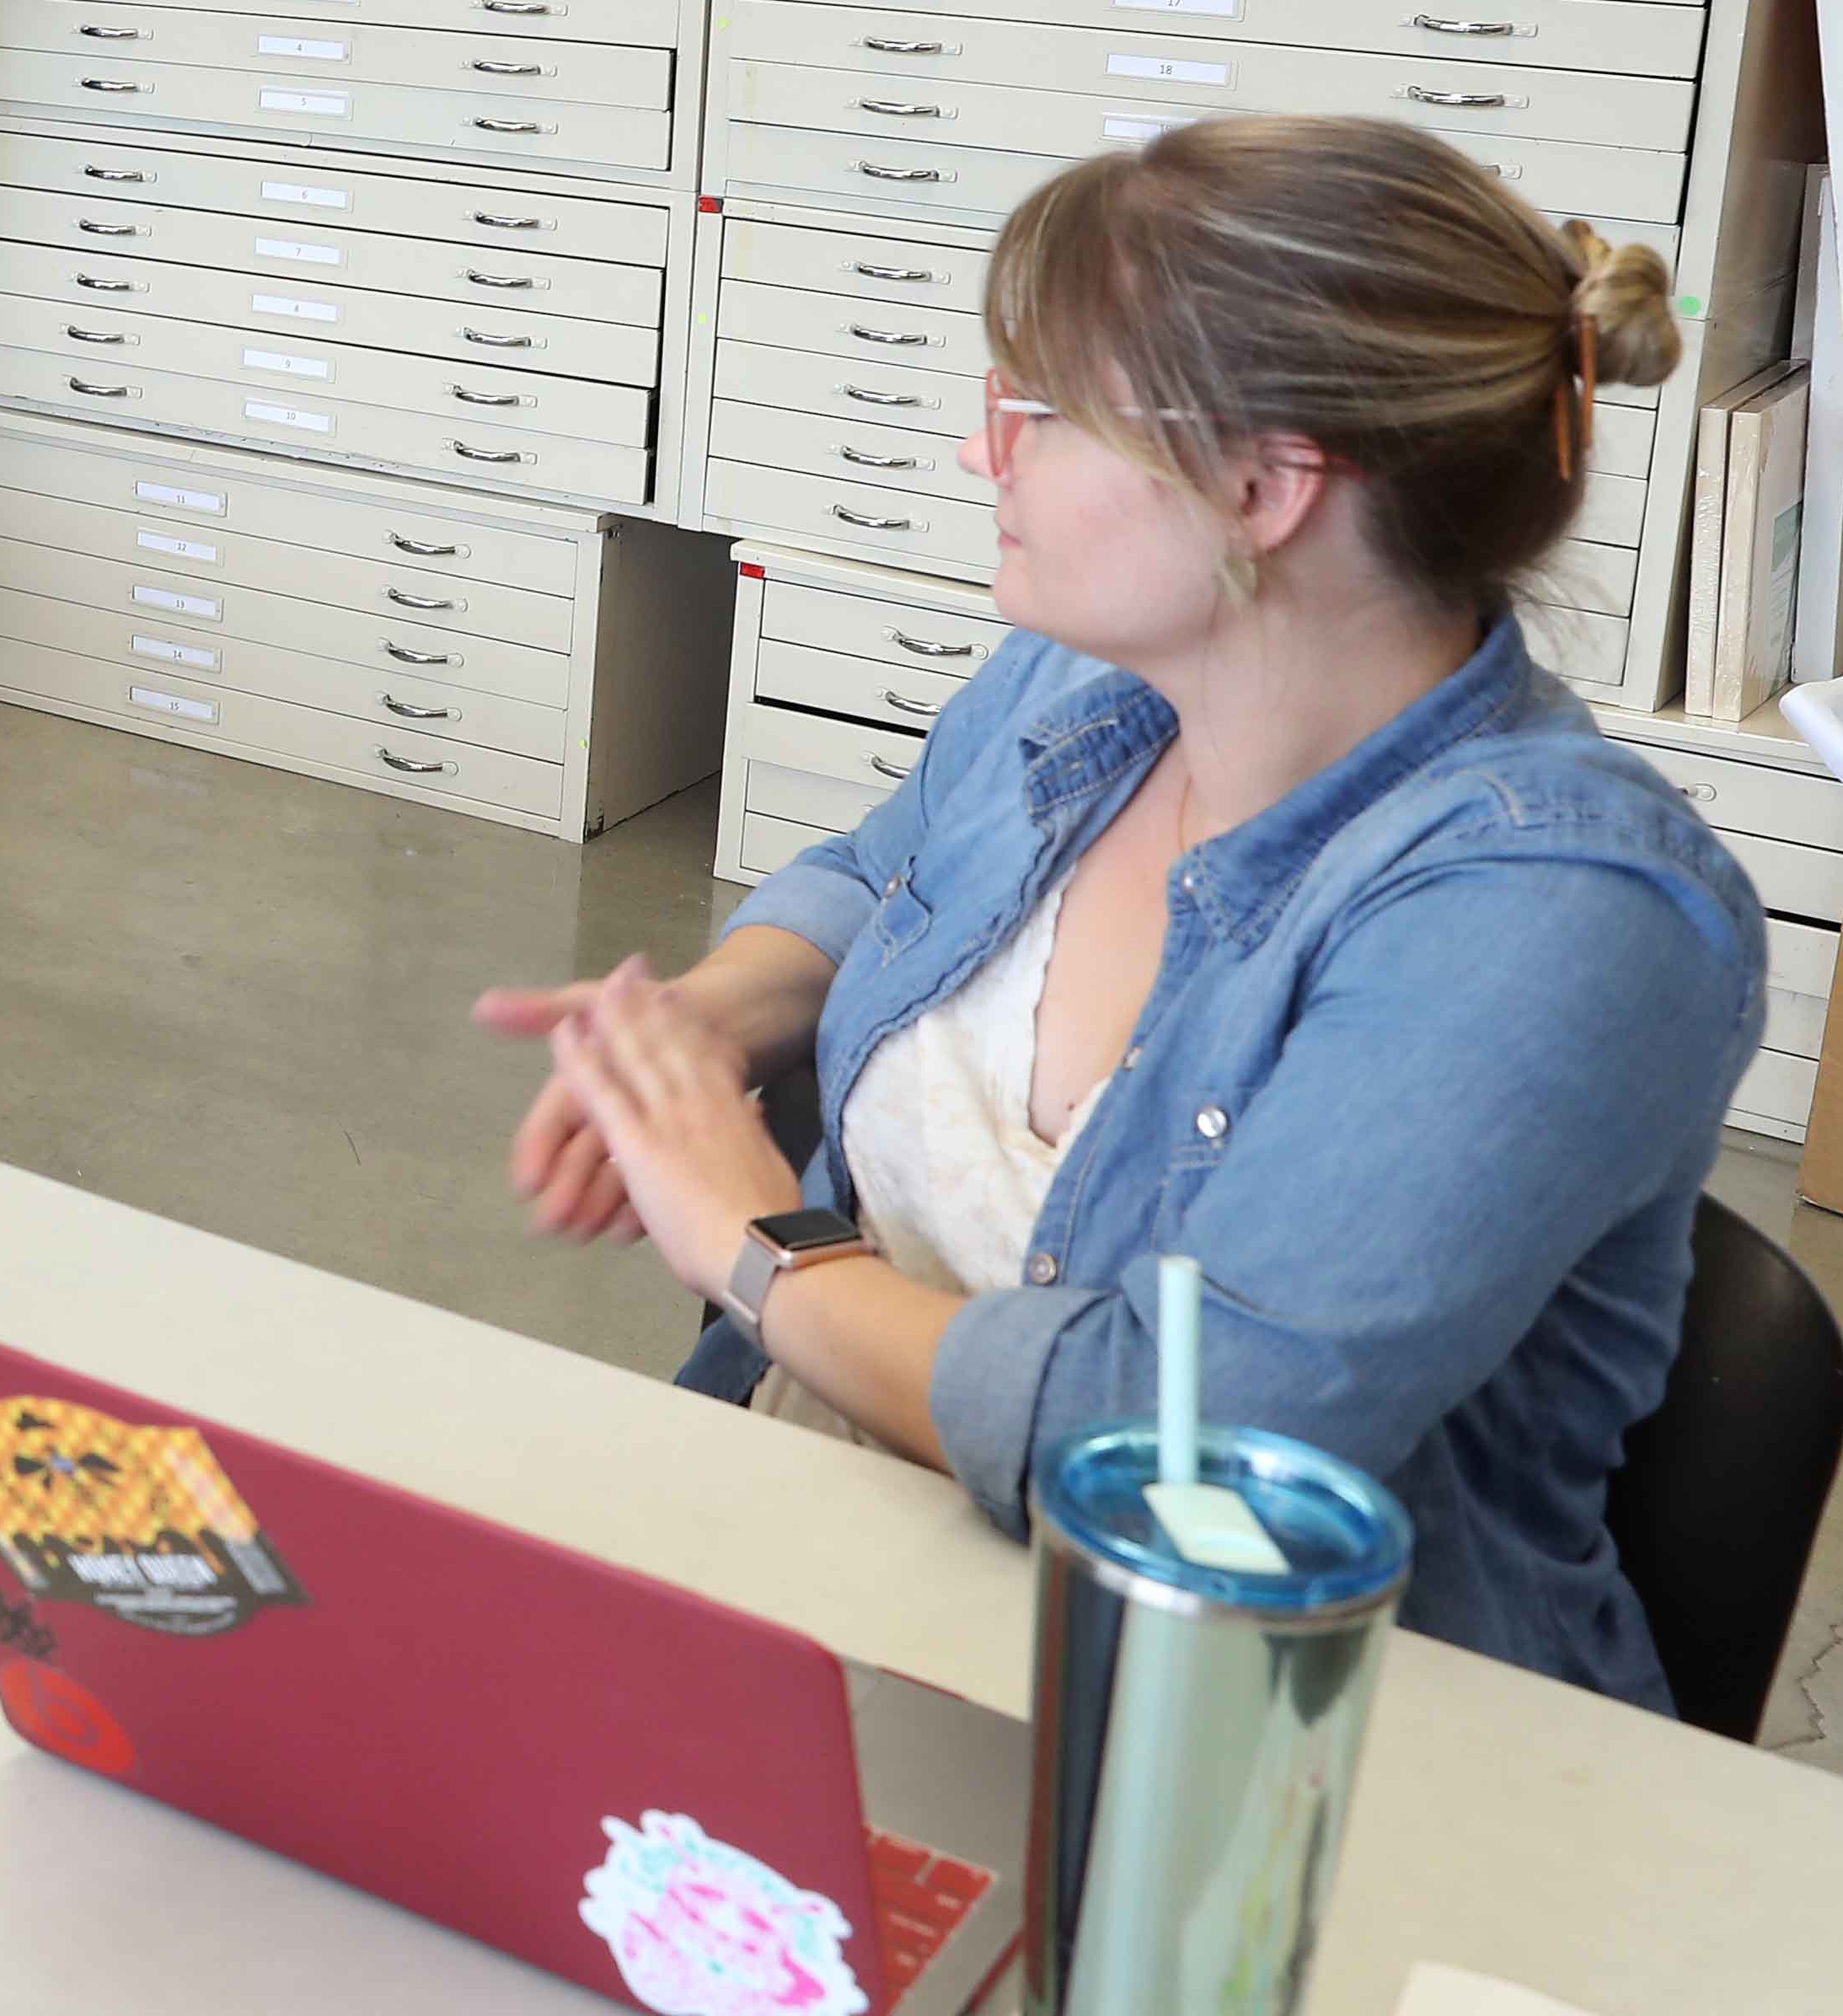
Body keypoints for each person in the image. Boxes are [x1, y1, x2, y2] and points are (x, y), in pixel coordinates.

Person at [471, 115, 1756, 1708]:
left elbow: (1185, 1451)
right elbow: (889, 868)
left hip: (1263, 1739)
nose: (980, 454)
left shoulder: (1557, 909)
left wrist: (753, 1239)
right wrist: (722, 1011)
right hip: (856, 1574)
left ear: (1260, 483)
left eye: (1043, 411)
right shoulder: (1095, 675)